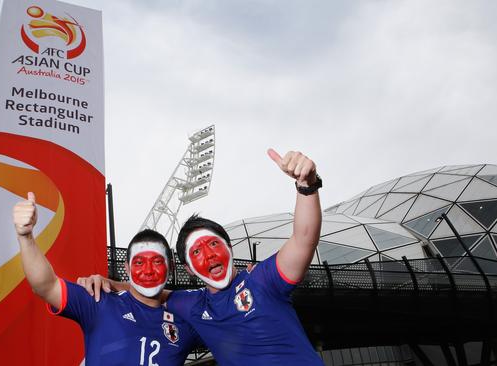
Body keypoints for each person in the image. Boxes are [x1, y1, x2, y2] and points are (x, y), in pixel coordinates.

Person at [80, 148, 324, 365]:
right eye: (196, 251)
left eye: (213, 244)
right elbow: (152, 291)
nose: (208, 256)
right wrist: (112, 284)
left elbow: (303, 238)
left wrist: (307, 185)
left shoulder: (263, 280)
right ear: (187, 268)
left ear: (229, 248)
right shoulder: (193, 304)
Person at [14, 192, 202, 365]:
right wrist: (26, 237)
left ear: (169, 269)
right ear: (126, 268)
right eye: (138, 263)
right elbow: (45, 285)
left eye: (157, 262)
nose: (148, 270)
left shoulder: (185, 322)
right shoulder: (99, 301)